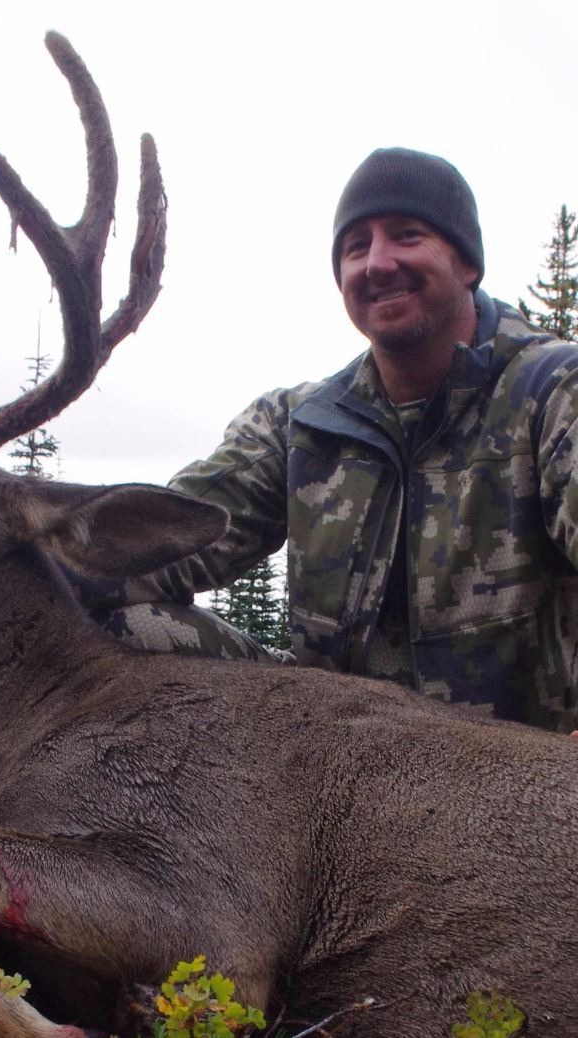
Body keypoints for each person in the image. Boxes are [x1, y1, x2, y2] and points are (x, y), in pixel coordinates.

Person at [129, 147, 578, 730]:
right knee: (130, 626)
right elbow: (149, 546)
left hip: (520, 770)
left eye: (407, 235)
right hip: (336, 758)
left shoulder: (554, 391)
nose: (378, 263)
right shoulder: (297, 425)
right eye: (356, 247)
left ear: (467, 263)